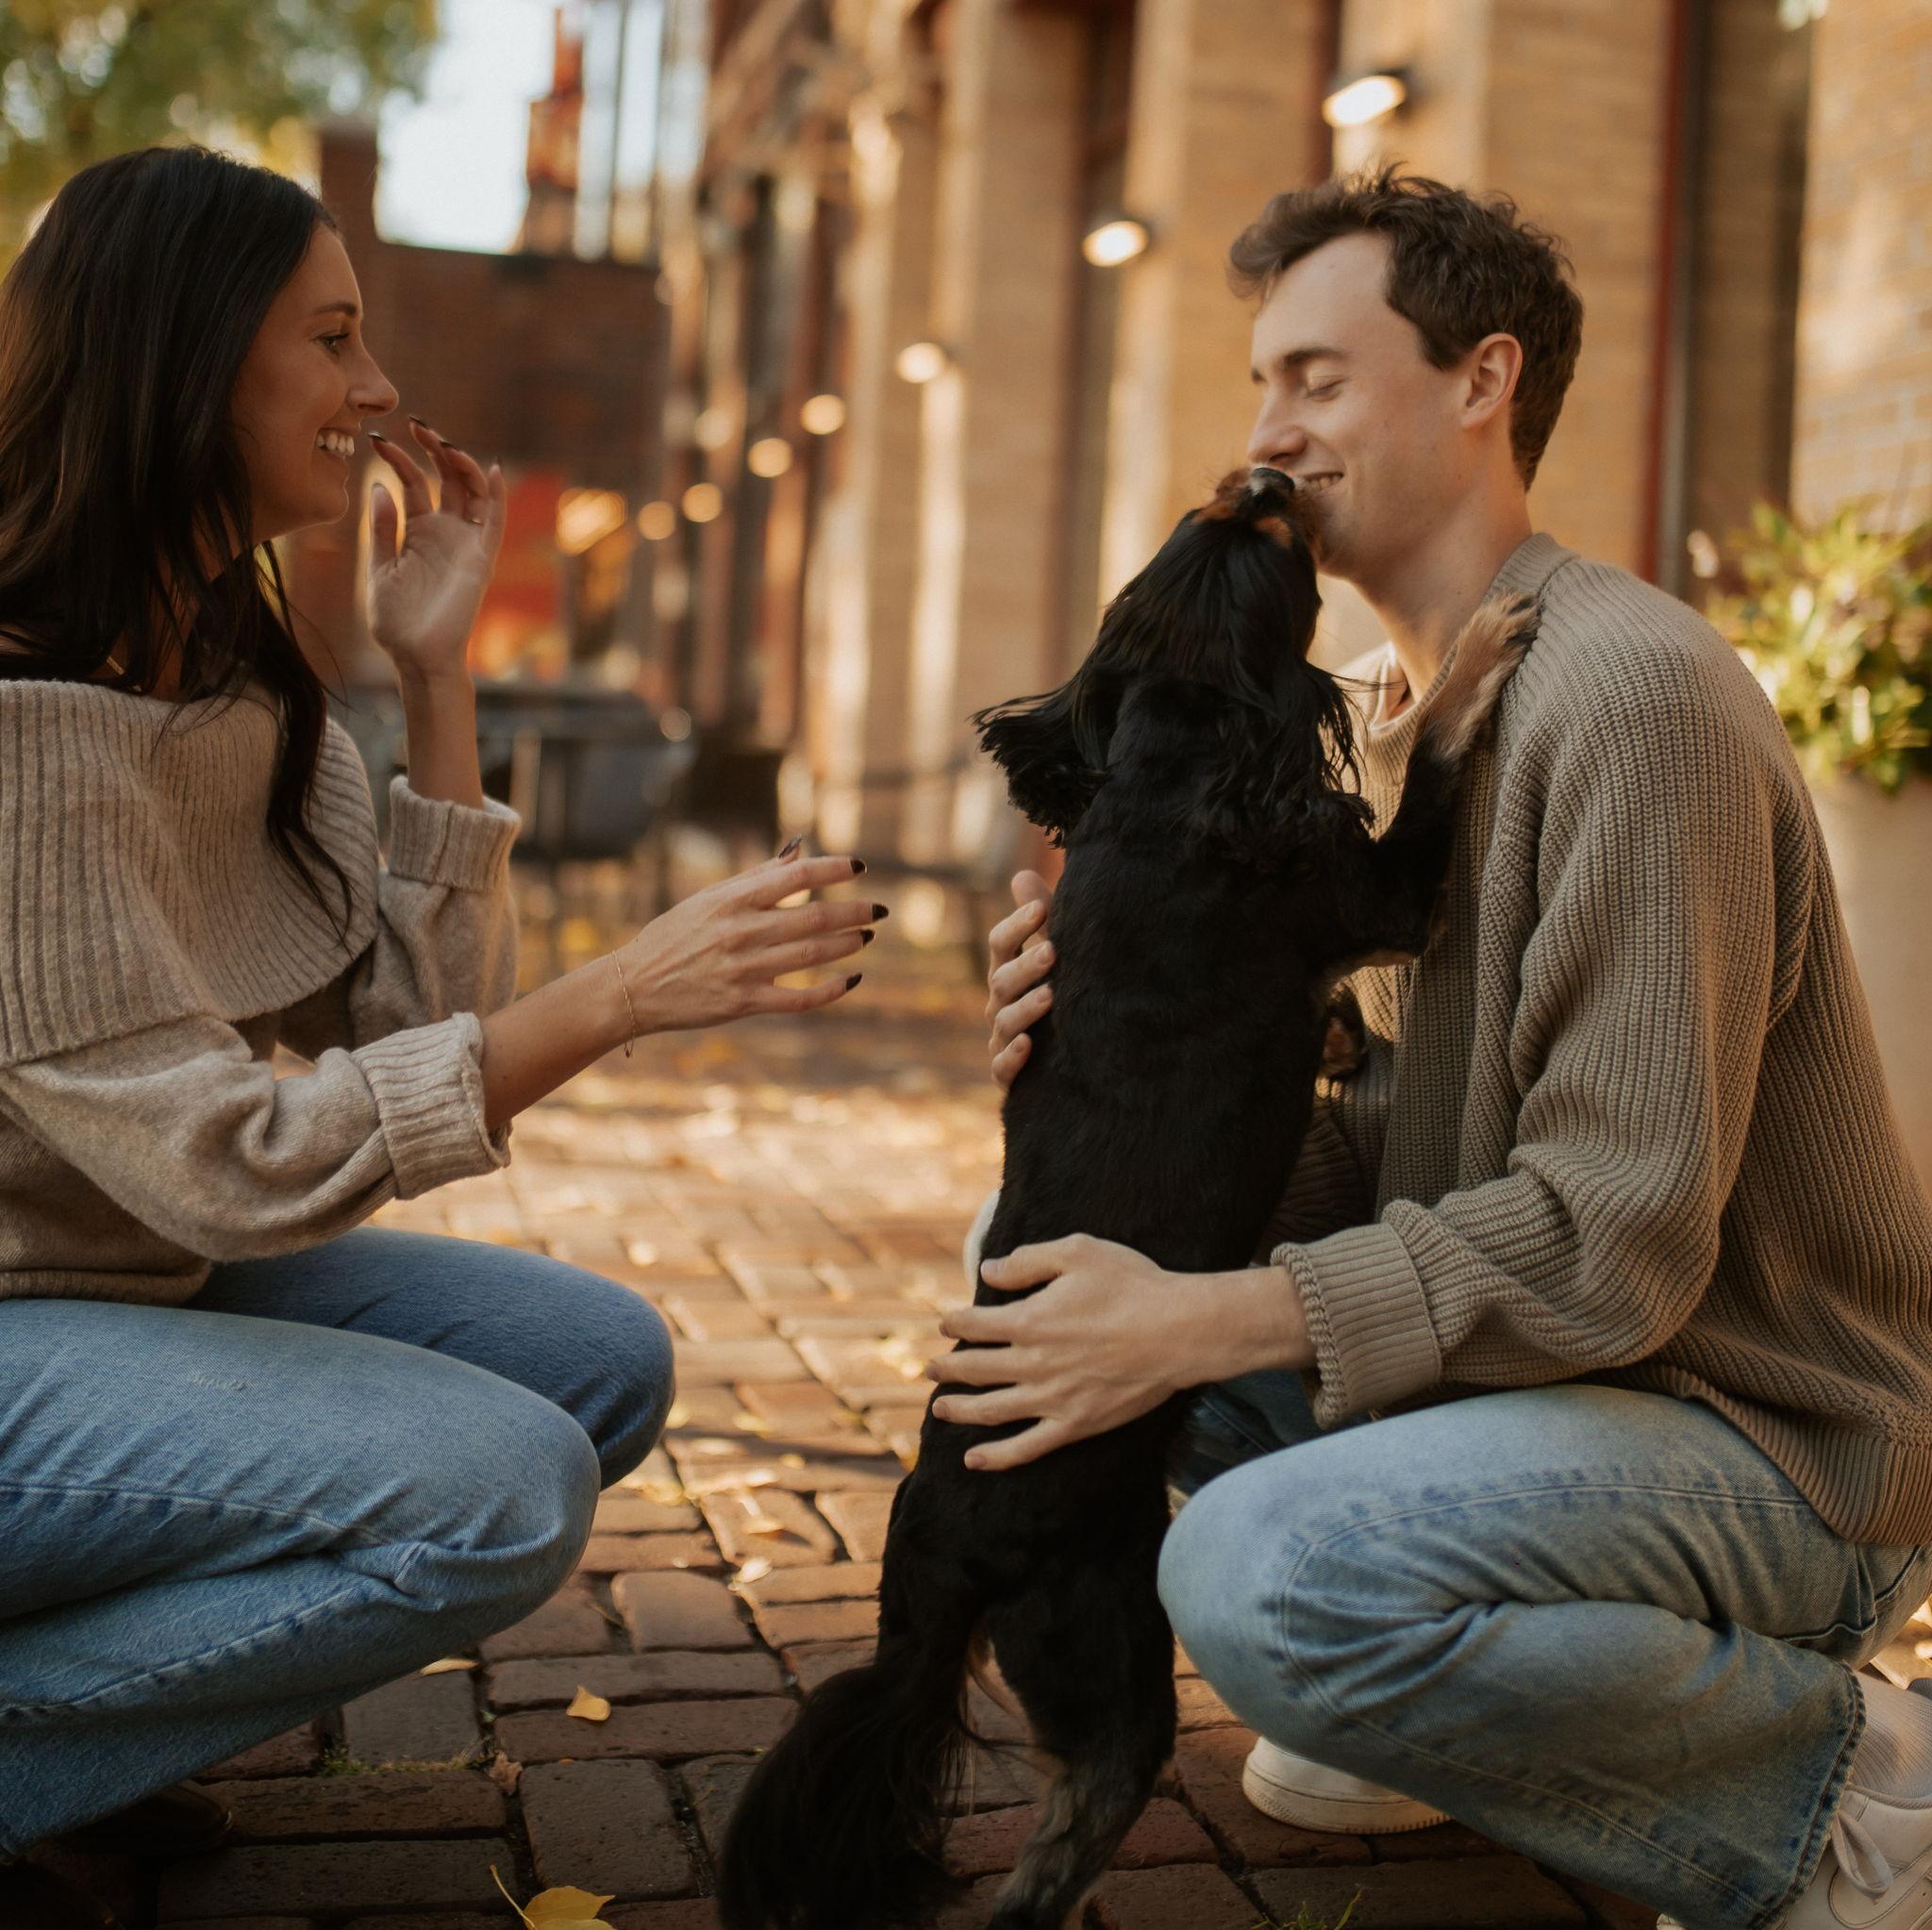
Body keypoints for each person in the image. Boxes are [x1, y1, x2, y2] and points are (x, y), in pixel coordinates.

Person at [956, 167, 1932, 1930]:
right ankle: (1466, 1694)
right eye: (1265, 384)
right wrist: (1143, 1054)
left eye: (1319, 379)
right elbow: (1370, 1166)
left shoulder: (1630, 693)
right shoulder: (1377, 728)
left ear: (1482, 381)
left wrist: (1203, 1316)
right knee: (1038, 1277)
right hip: (1547, 1395)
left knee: (1263, 1580)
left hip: (1770, 1443)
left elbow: (1613, 1234)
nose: (1269, 433)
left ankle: (1835, 1789)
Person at [0, 146, 878, 1930]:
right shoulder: (26, 731)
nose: (379, 390)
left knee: (595, 1359)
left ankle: (91, 1728)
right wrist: (620, 989)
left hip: (123, 1289)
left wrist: (438, 681)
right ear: (185, 365)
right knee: (497, 1488)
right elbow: (239, 1160)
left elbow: (422, 1027)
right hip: (33, 1318)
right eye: (330, 341)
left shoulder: (228, 675)